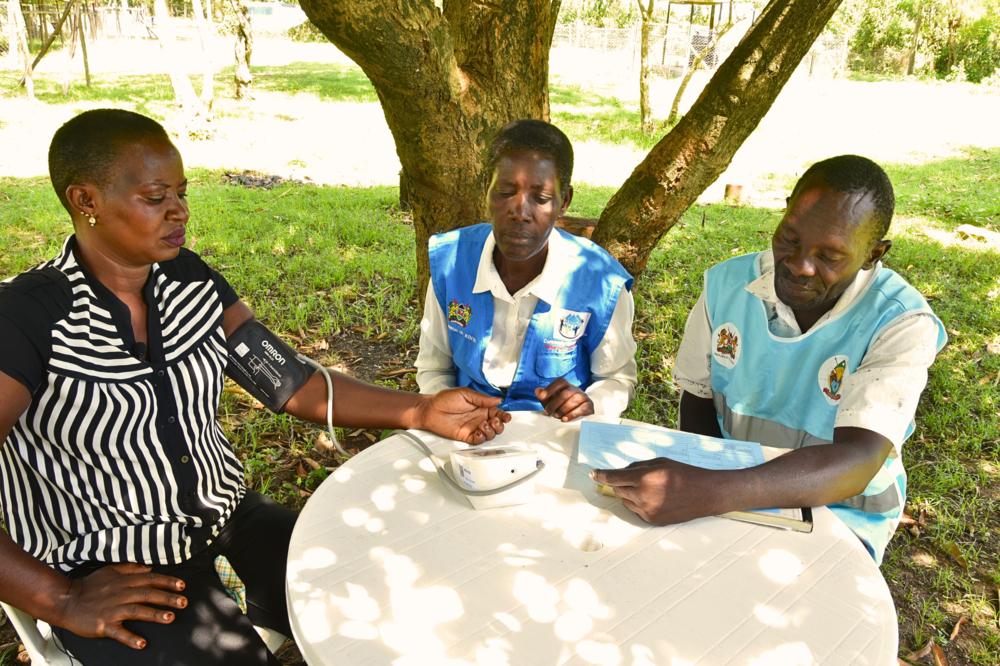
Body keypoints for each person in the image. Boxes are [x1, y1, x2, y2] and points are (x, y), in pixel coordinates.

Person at [0, 108, 509, 665]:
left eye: (182, 193)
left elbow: (290, 383)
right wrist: (62, 596)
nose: (180, 212)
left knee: (395, 604)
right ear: (85, 201)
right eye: (155, 197)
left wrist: (421, 409)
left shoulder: (188, 281)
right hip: (116, 564)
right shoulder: (30, 318)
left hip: (230, 518)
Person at [592, 155, 946, 564]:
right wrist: (707, 492)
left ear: (873, 254)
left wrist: (708, 493)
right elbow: (699, 397)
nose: (799, 266)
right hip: (729, 491)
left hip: (842, 516)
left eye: (830, 256)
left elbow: (858, 461)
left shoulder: (901, 322)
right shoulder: (726, 285)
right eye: (790, 238)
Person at [416, 119, 638, 420]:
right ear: (486, 190)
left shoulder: (600, 282)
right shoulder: (453, 263)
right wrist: (446, 411)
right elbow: (434, 366)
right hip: (465, 434)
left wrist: (591, 404)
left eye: (541, 198)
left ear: (564, 201)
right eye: (506, 192)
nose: (520, 212)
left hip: (556, 435)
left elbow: (617, 379)